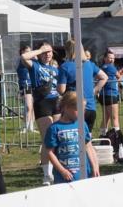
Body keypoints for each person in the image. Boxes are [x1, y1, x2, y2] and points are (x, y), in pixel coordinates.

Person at [22, 42, 61, 185]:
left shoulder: (55, 68)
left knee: (58, 137)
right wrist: (40, 50)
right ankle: (46, 174)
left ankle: (57, 169)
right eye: (45, 52)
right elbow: (24, 57)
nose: (47, 54)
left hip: (56, 103)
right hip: (42, 103)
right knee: (47, 139)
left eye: (49, 51)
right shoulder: (35, 65)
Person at [44, 92, 99, 183]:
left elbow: (89, 147)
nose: (82, 113)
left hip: (85, 175)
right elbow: (50, 153)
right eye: (78, 109)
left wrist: (95, 167)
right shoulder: (54, 128)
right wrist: (62, 171)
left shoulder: (82, 124)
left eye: (83, 110)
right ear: (66, 108)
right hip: (64, 179)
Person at [58, 41, 107, 131]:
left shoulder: (65, 66)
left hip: (74, 108)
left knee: (74, 136)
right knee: (87, 137)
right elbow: (104, 77)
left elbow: (61, 90)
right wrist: (95, 90)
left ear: (67, 51)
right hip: (91, 108)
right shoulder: (90, 64)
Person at [99, 50, 123, 137]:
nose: (112, 60)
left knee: (106, 117)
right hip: (111, 94)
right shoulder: (111, 67)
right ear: (105, 58)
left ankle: (102, 136)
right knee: (115, 118)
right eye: (110, 58)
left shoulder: (102, 67)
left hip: (103, 95)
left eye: (113, 58)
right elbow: (118, 77)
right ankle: (117, 138)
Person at [16, 45, 35, 132]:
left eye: (30, 51)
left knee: (32, 107)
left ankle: (31, 127)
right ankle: (25, 126)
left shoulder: (32, 61)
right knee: (28, 106)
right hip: (25, 85)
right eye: (27, 51)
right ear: (22, 52)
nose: (29, 53)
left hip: (33, 85)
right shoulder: (21, 60)